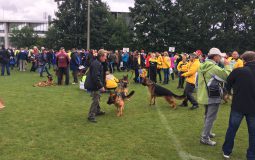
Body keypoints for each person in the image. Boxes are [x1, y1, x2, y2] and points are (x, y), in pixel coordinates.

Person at [222, 51, 255, 159]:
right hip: (250, 107)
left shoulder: (238, 71)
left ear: (244, 61)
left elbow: (227, 84)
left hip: (238, 105)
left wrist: (228, 93)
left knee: (232, 129)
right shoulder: (238, 71)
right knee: (253, 133)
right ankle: (251, 155)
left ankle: (226, 151)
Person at [197, 48, 231, 146]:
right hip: (213, 95)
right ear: (215, 56)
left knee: (208, 116)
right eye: (220, 56)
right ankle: (205, 137)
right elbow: (227, 76)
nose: (221, 58)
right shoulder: (214, 67)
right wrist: (227, 65)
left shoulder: (202, 65)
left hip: (205, 94)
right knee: (211, 117)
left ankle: (208, 132)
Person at [85, 49, 107, 123]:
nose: (105, 58)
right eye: (105, 56)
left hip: (94, 84)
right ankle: (91, 115)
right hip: (93, 84)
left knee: (98, 97)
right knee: (96, 99)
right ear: (101, 56)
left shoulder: (98, 62)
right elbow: (95, 77)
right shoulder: (97, 64)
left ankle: (97, 111)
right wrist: (101, 86)